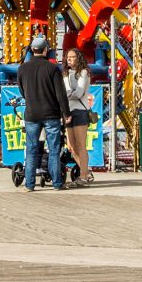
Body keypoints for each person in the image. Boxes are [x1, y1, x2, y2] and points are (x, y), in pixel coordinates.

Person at [16, 35, 71, 191]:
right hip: (51, 114)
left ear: (32, 50)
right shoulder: (52, 68)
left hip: (31, 114)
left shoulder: (22, 68)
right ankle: (57, 183)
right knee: (53, 150)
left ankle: (29, 184)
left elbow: (22, 90)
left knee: (31, 149)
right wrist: (66, 113)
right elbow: (61, 94)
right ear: (46, 50)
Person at [61, 47, 94, 187]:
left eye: (73, 57)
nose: (70, 59)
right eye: (68, 57)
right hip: (68, 111)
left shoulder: (83, 72)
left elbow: (79, 92)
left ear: (78, 58)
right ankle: (86, 172)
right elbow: (67, 90)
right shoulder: (65, 73)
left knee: (81, 144)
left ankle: (83, 176)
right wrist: (68, 93)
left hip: (80, 110)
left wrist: (67, 94)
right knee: (71, 147)